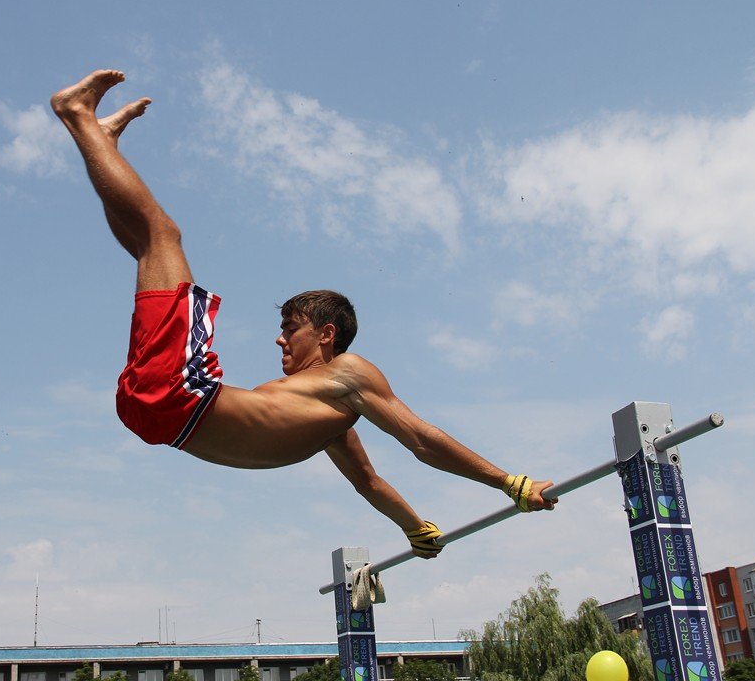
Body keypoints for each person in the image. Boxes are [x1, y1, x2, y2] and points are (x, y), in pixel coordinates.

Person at [51, 69, 556, 558]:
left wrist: (497, 488)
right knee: (151, 245)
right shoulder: (325, 409)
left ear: (327, 334)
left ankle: (82, 121)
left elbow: (408, 451)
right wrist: (422, 522)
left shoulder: (347, 378)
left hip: (171, 401)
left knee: (160, 239)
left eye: (290, 330)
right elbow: (374, 481)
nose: (279, 342)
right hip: (159, 412)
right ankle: (97, 138)